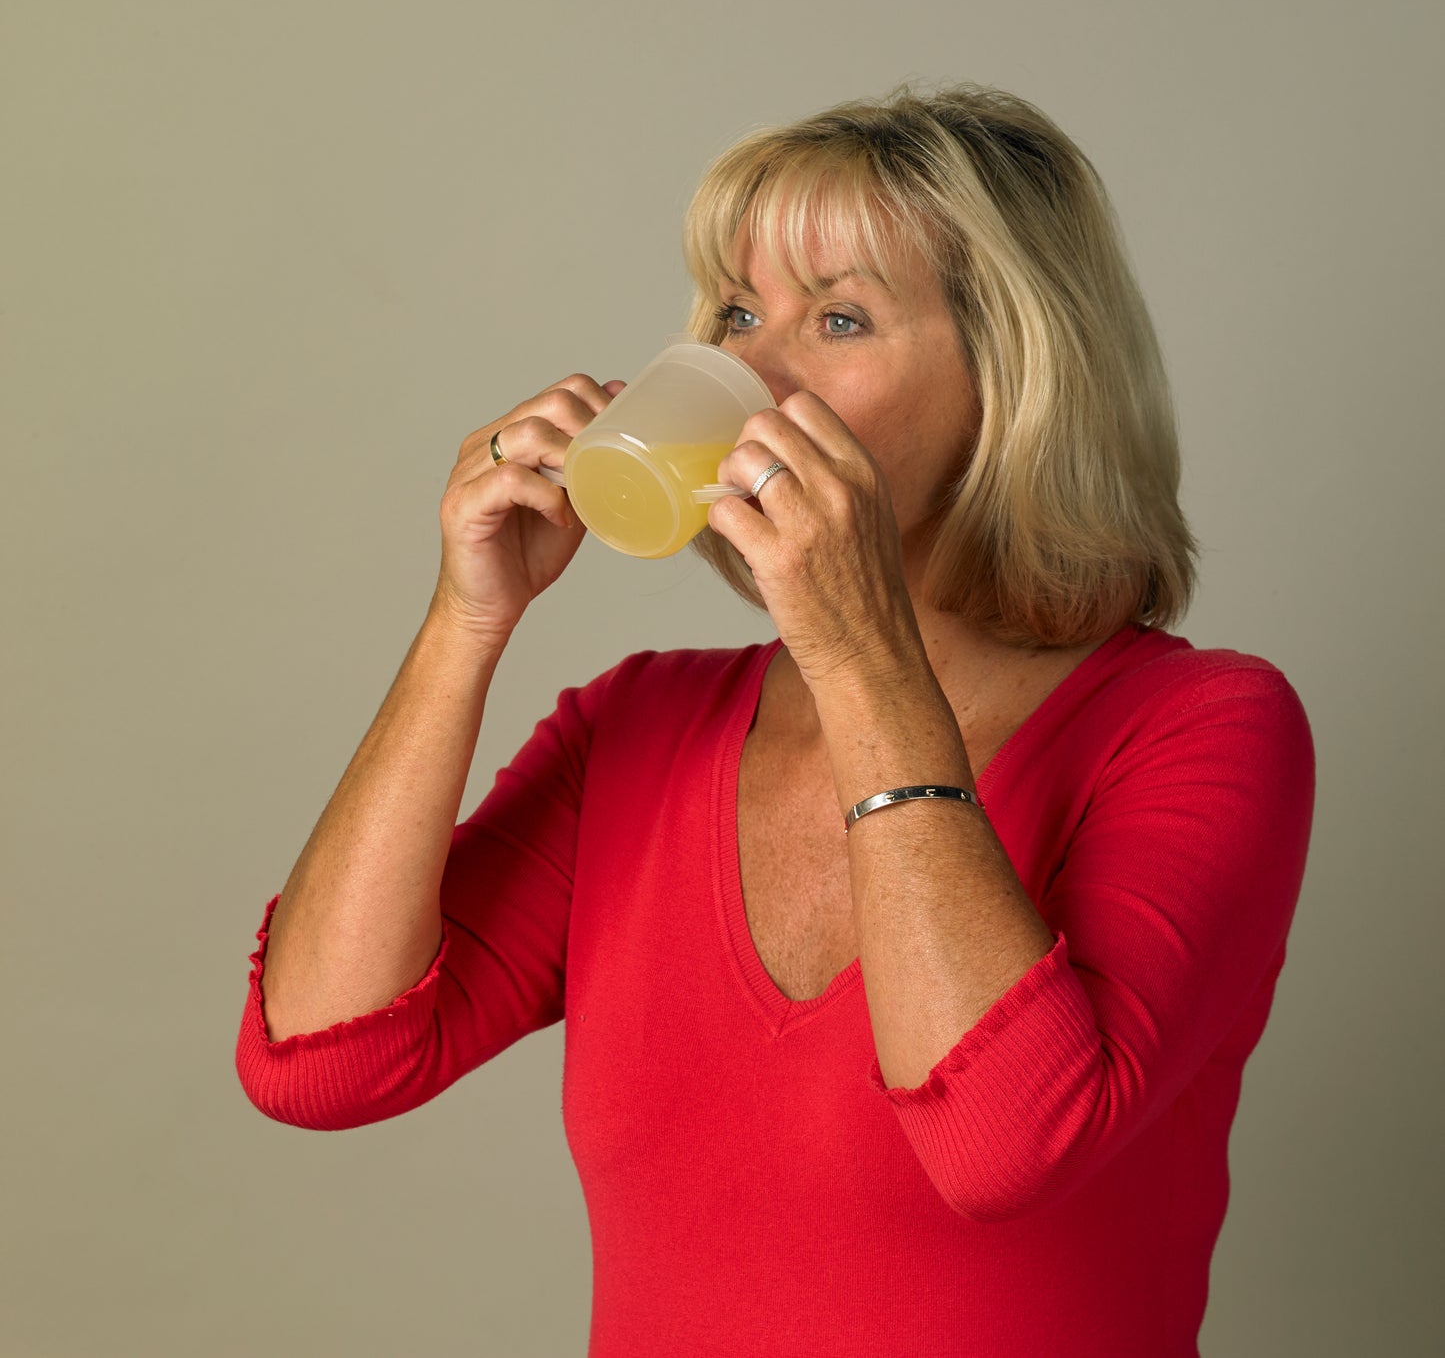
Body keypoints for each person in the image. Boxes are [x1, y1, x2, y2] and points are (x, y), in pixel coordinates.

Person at [236, 84, 1315, 1356]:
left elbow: (1002, 1143)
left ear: (1013, 377)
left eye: (839, 315)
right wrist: (464, 623)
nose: (745, 369)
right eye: (737, 313)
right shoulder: (637, 725)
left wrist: (856, 650)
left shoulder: (1199, 726)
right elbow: (320, 1058)